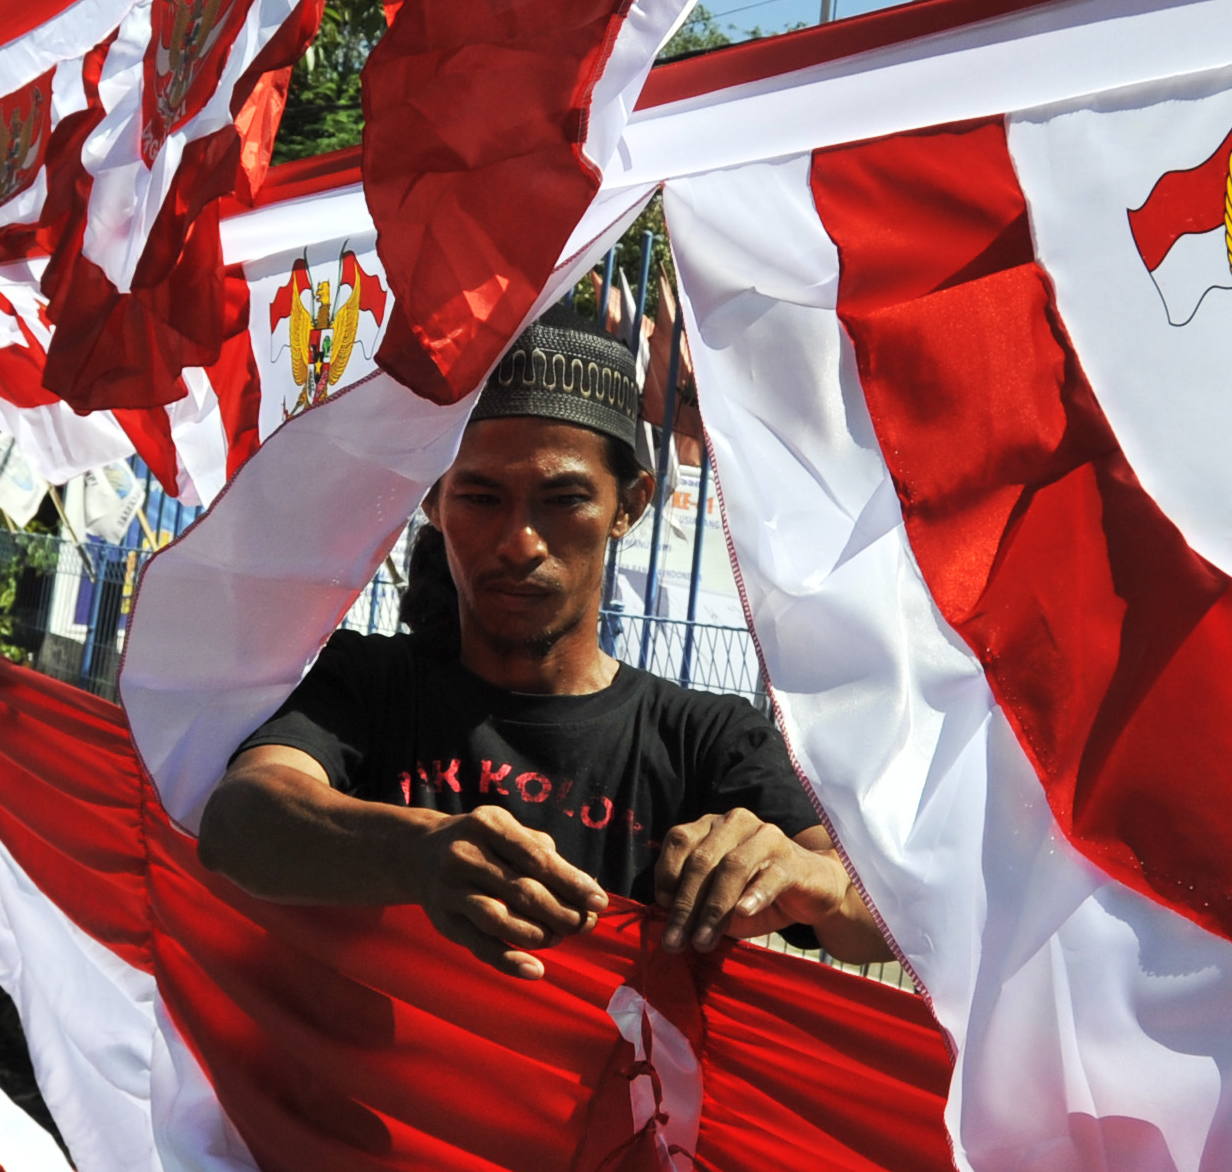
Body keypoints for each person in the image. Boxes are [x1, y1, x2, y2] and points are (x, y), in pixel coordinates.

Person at [196, 297, 890, 976]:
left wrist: (811, 878)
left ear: (630, 505)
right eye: (480, 498)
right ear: (434, 503)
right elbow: (242, 821)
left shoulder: (704, 739)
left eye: (563, 501)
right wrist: (418, 853)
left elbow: (881, 922)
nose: (520, 543)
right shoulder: (365, 684)